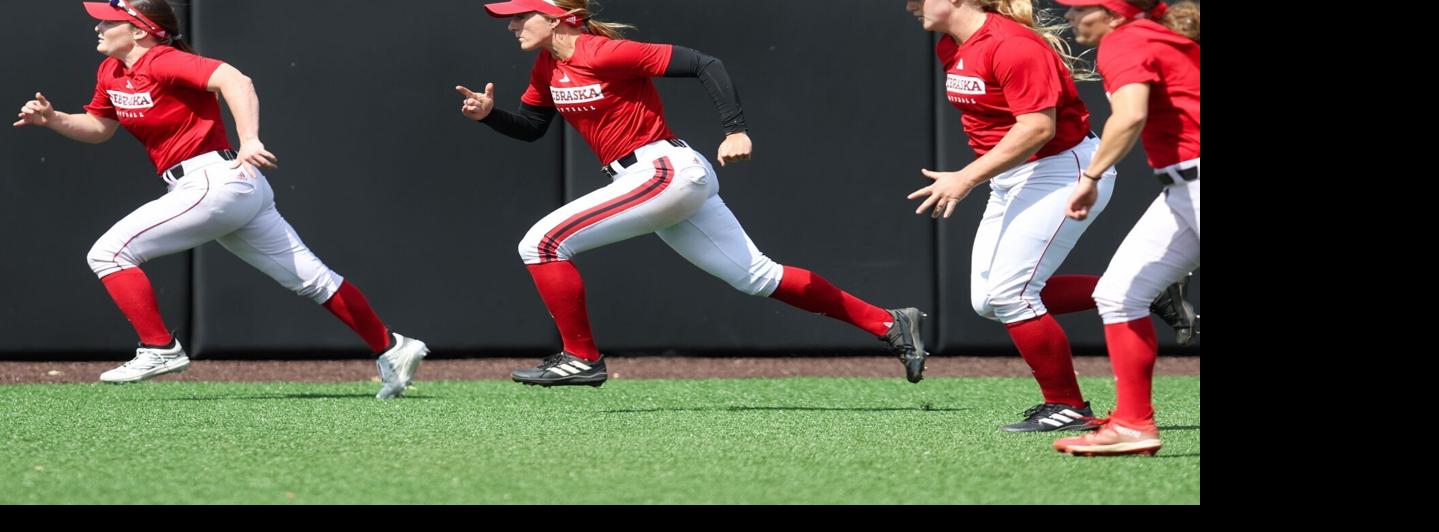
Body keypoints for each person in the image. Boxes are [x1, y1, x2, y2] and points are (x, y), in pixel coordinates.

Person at [460, 0, 927, 388]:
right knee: (758, 277)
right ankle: (890, 323)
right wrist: (490, 116)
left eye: (521, 15)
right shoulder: (548, 65)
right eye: (511, 18)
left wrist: (736, 131)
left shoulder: (603, 52)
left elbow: (706, 64)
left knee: (541, 244)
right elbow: (531, 128)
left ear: (559, 17)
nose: (513, 25)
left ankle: (582, 357)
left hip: (663, 169)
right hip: (650, 178)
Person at [11, 0, 428, 397]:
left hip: (215, 180)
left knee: (108, 254)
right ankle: (391, 346)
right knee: (313, 280)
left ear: (139, 31)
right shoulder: (111, 70)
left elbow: (235, 79)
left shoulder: (162, 59)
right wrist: (54, 119)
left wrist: (249, 140)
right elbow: (99, 128)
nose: (98, 26)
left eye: (107, 21)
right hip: (223, 188)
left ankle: (159, 347)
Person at [905, 0, 1116, 433]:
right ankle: (1141, 292)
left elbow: (1039, 128)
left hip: (1062, 169)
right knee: (988, 302)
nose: (908, 6)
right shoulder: (951, 44)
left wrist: (965, 178)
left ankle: (1068, 406)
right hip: (1014, 174)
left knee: (1011, 294)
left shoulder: (1011, 45)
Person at [1041, 0, 1199, 456]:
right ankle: (1132, 424)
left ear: (1112, 12)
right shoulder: (1146, 35)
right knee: (1118, 294)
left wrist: (1089, 178)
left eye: (1079, 9)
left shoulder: (1126, 39)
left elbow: (1130, 115)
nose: (1070, 17)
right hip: (1182, 189)